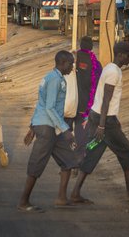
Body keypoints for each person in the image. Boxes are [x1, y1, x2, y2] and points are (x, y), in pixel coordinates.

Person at [70, 41, 129, 204]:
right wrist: (102, 125)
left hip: (99, 116)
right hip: (104, 121)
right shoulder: (114, 72)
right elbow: (106, 99)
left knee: (93, 152)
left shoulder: (109, 68)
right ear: (121, 55)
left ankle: (75, 191)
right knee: (126, 151)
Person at [18, 51, 79, 213]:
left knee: (68, 159)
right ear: (63, 62)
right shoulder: (55, 80)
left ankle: (61, 198)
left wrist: (32, 127)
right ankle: (24, 201)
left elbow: (41, 104)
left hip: (50, 126)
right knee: (37, 165)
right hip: (48, 128)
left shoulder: (52, 77)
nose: (73, 67)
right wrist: (66, 129)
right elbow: (49, 107)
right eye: (71, 63)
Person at [72, 36, 102, 158]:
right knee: (82, 129)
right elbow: (99, 83)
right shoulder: (95, 63)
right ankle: (80, 155)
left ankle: (71, 156)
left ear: (80, 45)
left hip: (71, 101)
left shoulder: (73, 58)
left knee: (71, 129)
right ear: (91, 47)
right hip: (86, 103)